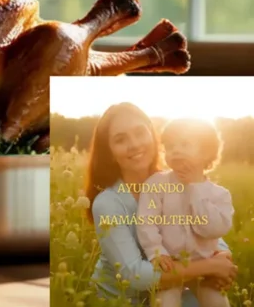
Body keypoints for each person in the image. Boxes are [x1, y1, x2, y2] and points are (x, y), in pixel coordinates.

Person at [84, 102, 238, 306]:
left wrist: (222, 255)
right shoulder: (108, 203)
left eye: (140, 133)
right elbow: (135, 274)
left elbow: (199, 226)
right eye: (120, 140)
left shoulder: (174, 180)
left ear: (153, 135)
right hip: (124, 299)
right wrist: (210, 266)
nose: (135, 144)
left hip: (174, 284)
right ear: (110, 152)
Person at [137, 118, 234, 307]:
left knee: (217, 302)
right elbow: (146, 222)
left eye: (185, 144)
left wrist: (196, 188)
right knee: (164, 303)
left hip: (205, 267)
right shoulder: (156, 184)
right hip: (170, 264)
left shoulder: (219, 194)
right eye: (170, 146)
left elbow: (213, 229)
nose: (176, 150)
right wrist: (156, 252)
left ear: (206, 153)